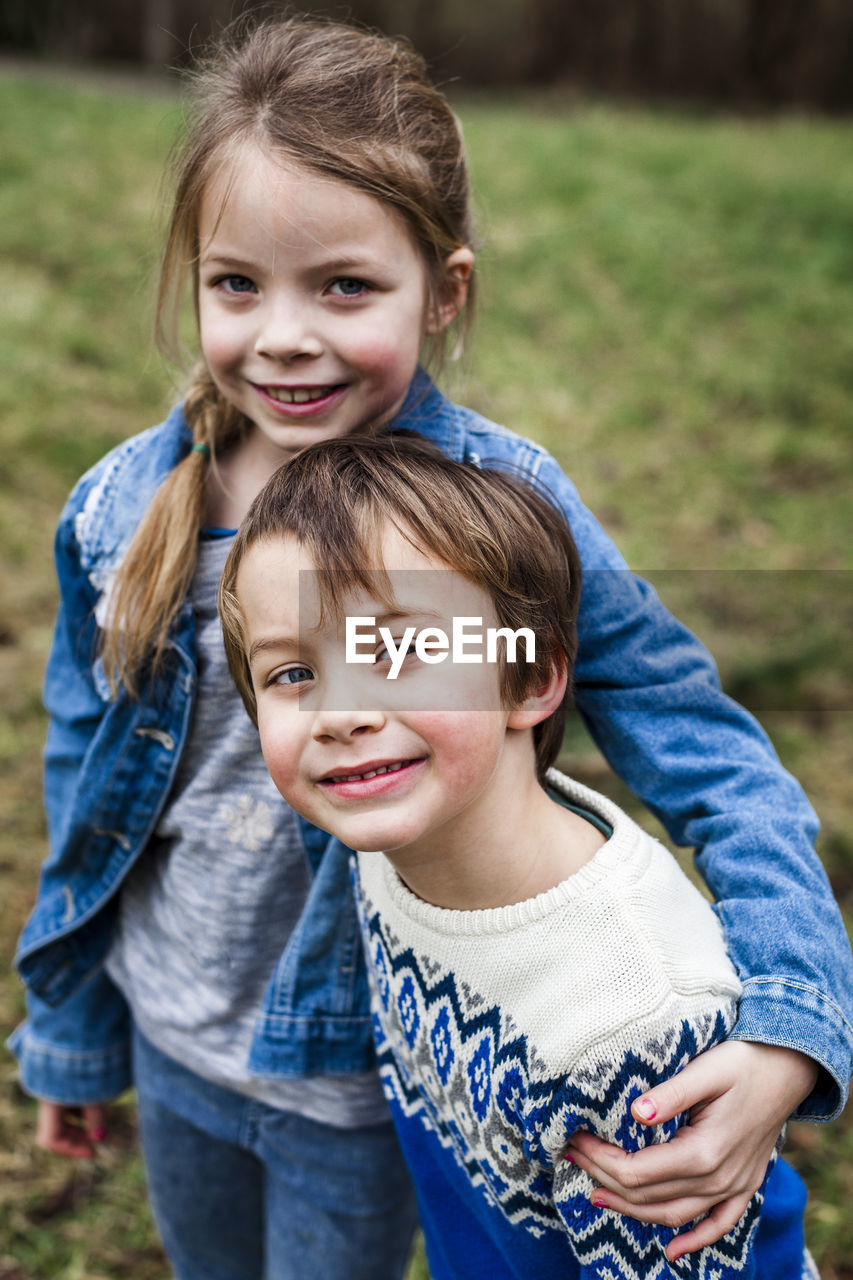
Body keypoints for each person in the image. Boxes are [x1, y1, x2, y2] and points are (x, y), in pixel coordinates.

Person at [7, 12, 850, 1278]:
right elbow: (86, 775)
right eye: (237, 283)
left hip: (354, 1078)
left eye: (343, 285)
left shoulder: (501, 506)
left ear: (442, 289)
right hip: (170, 1034)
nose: (284, 334)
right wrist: (72, 1025)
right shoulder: (123, 509)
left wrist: (793, 1022)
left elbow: (706, 751)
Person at [218, 429, 820, 1278]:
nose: (339, 713)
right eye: (290, 675)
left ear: (531, 681)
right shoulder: (395, 840)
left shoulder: (633, 1025)